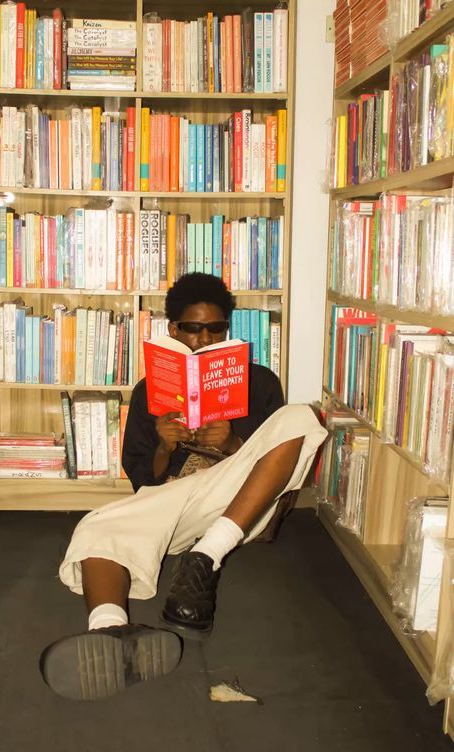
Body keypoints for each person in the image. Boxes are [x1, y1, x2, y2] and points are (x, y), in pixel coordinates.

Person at [40, 273, 327, 701]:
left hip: (239, 501)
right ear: (173, 330)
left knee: (301, 417)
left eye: (217, 329)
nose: (205, 338)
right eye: (193, 328)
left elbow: (276, 459)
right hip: (174, 503)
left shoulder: (261, 382)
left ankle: (206, 557)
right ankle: (111, 631)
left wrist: (231, 442)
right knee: (97, 525)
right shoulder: (145, 394)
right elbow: (144, 483)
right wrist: (162, 443)